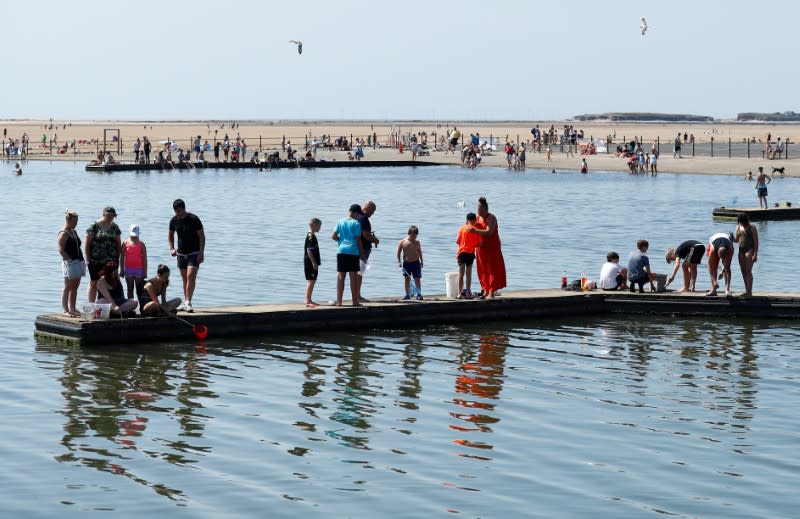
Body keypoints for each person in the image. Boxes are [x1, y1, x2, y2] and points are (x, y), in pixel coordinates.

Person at [168, 199, 205, 312]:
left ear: (184, 208)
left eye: (179, 211)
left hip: (194, 252)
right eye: (176, 211)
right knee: (184, 279)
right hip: (181, 253)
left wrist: (201, 252)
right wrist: (171, 248)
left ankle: (188, 302)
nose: (178, 213)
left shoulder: (194, 219)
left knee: (190, 276)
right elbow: (170, 236)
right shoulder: (174, 220)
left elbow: (202, 237)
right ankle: (186, 302)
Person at [468, 197, 507, 299]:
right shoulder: (477, 218)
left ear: (485, 208)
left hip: (492, 247)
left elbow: (489, 232)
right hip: (481, 248)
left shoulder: (491, 218)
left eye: (479, 208)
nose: (478, 210)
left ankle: (492, 292)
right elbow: (469, 229)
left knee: (492, 269)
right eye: (477, 207)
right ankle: (485, 291)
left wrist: (475, 231)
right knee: (482, 270)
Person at [84, 206, 122, 302]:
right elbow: (87, 243)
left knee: (109, 282)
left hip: (110, 262)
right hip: (95, 260)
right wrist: (87, 259)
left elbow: (118, 243)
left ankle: (107, 304)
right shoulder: (94, 226)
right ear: (103, 214)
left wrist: (118, 258)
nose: (111, 218)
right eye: (109, 215)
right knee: (94, 282)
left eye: (113, 216)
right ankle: (91, 305)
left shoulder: (115, 227)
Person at [332, 204, 365, 306]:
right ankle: (355, 302)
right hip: (353, 251)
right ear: (355, 212)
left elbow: (333, 236)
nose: (359, 216)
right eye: (359, 214)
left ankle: (339, 302)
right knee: (353, 277)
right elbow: (358, 240)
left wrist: (341, 241)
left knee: (341, 276)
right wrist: (362, 254)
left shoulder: (340, 221)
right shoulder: (356, 223)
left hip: (341, 251)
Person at [58, 210, 85, 317]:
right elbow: (61, 250)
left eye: (77, 221)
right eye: (75, 221)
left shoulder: (74, 231)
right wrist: (69, 260)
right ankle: (65, 310)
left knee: (75, 286)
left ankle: (73, 309)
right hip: (69, 263)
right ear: (68, 220)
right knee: (67, 286)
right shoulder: (63, 233)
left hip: (79, 261)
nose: (76, 223)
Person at [355, 200, 379, 302]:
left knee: (355, 272)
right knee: (360, 273)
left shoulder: (356, 217)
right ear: (367, 208)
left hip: (355, 248)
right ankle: (357, 296)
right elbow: (366, 235)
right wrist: (376, 240)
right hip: (363, 249)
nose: (372, 214)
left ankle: (355, 295)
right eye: (372, 211)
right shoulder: (363, 219)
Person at [455, 212, 482, 298]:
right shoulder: (475, 230)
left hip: (462, 252)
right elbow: (479, 243)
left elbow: (457, 241)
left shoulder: (462, 229)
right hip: (470, 253)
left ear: (467, 220)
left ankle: (459, 293)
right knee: (468, 274)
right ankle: (468, 292)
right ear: (475, 220)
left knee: (461, 274)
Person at [734, 213, 759, 297]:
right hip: (741, 251)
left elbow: (756, 242)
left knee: (748, 271)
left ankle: (749, 292)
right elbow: (737, 240)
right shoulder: (738, 227)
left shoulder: (752, 227)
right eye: (740, 222)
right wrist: (732, 239)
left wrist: (755, 254)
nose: (742, 224)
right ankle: (747, 290)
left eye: (743, 222)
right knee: (743, 271)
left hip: (750, 250)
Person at [120, 224, 147, 300]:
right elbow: (122, 258)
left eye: (135, 236)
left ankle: (142, 306)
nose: (134, 237)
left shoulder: (141, 244)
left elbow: (144, 259)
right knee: (130, 289)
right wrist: (121, 270)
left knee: (139, 289)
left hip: (139, 270)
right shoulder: (125, 243)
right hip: (128, 269)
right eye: (132, 235)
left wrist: (145, 272)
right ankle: (130, 306)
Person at [397, 226, 424, 300]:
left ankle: (419, 294)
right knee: (407, 279)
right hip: (406, 263)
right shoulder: (403, 242)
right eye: (413, 235)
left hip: (416, 263)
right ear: (409, 233)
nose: (414, 237)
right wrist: (399, 262)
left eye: (416, 235)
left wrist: (422, 261)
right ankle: (407, 294)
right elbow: (398, 253)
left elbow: (419, 252)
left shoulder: (417, 242)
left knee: (417, 278)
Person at [706, 232, 734, 296]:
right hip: (714, 241)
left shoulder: (730, 248)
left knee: (727, 268)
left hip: (725, 240)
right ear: (717, 253)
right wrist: (715, 281)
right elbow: (709, 266)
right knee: (713, 266)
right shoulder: (712, 249)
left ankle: (727, 289)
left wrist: (722, 271)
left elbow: (727, 264)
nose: (721, 258)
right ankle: (713, 290)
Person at [304, 218, 322, 307]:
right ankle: (307, 300)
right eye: (319, 226)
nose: (320, 228)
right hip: (310, 262)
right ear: (314, 225)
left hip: (312, 262)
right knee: (311, 280)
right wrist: (314, 262)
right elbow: (309, 250)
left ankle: (309, 299)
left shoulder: (312, 235)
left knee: (312, 280)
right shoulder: (310, 236)